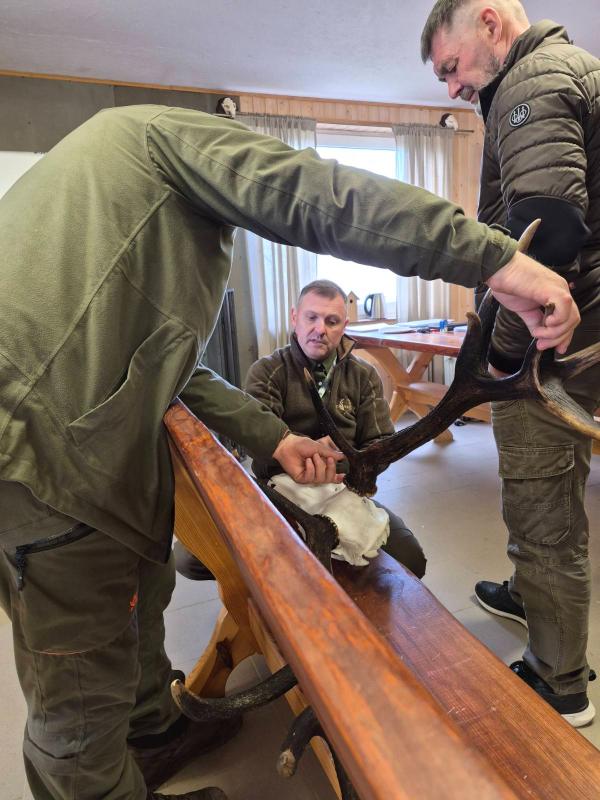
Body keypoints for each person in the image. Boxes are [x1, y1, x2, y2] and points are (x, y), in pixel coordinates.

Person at [0, 105, 583, 800]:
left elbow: (170, 369)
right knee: (78, 679)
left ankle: (154, 731)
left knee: (138, 591)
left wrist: (275, 437)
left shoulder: (111, 189)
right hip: (46, 457)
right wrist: (496, 260)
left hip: (59, 435)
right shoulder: (163, 140)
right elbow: (322, 195)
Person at [421, 0, 600, 727]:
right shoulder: (570, 70)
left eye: (451, 66)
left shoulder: (530, 83)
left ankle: (560, 681)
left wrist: (495, 355)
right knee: (553, 483)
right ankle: (531, 599)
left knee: (541, 504)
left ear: (490, 24)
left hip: (547, 347)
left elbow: (544, 235)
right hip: (577, 342)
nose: (452, 85)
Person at [176, 279, 427, 578]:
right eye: (311, 317)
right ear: (295, 318)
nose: (320, 329)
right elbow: (255, 447)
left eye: (331, 321)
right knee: (190, 558)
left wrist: (337, 465)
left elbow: (381, 447)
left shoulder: (364, 376)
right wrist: (305, 455)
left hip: (343, 493)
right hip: (277, 496)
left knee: (411, 559)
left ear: (344, 326)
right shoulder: (266, 372)